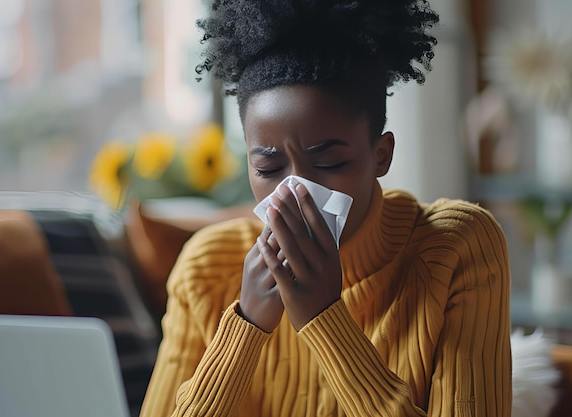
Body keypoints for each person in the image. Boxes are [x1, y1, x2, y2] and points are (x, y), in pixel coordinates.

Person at [139, 1, 512, 416]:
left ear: (381, 155)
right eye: (268, 166)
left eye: (330, 163)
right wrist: (246, 326)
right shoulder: (207, 269)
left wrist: (324, 317)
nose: (296, 190)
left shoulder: (457, 247)